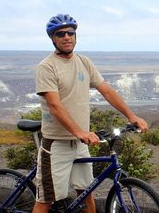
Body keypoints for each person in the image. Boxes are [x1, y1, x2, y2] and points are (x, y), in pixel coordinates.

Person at [33, 13, 148, 213]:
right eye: (61, 34)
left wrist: (131, 116)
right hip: (57, 143)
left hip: (80, 143)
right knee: (46, 200)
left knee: (86, 193)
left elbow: (106, 91)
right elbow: (55, 105)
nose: (67, 37)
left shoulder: (84, 62)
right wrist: (79, 131)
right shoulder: (47, 67)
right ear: (53, 38)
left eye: (71, 32)